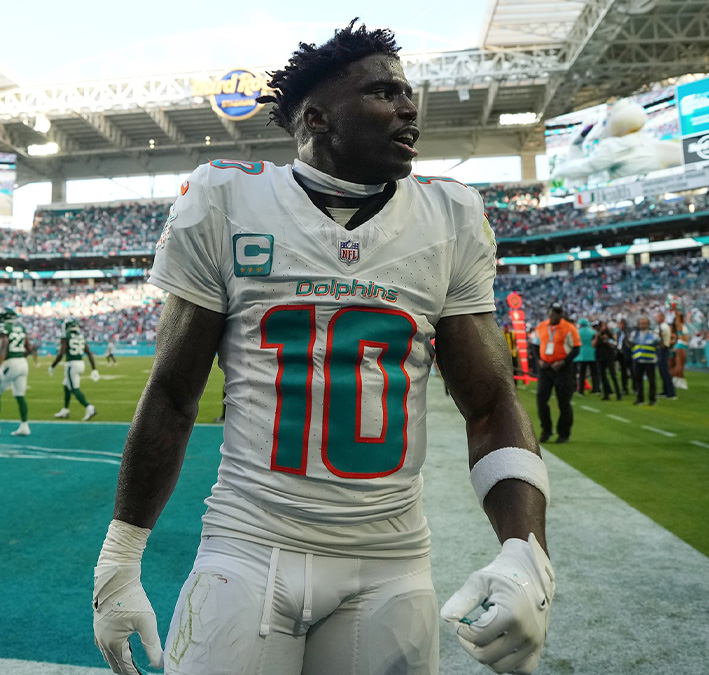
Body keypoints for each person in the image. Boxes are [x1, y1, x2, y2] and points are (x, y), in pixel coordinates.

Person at [92, 23, 553, 675]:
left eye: (407, 91)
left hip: (390, 560)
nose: (408, 106)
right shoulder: (226, 199)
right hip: (248, 545)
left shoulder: (449, 216)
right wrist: (120, 554)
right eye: (382, 92)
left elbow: (489, 401)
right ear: (316, 116)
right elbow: (172, 392)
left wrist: (524, 550)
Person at [0, 308, 36, 437]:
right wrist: (20, 356)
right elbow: (29, 348)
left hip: (10, 363)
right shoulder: (21, 328)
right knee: (20, 395)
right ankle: (24, 426)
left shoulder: (4, 328)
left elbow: (4, 345)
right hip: (22, 362)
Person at [532, 303, 580, 443]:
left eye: (556, 314)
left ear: (560, 315)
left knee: (564, 402)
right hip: (546, 369)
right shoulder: (541, 326)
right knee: (541, 399)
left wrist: (563, 362)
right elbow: (535, 345)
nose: (553, 316)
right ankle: (546, 430)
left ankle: (564, 433)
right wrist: (539, 360)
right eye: (552, 313)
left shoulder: (569, 328)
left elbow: (576, 348)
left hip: (563, 369)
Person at [49, 318, 100, 421]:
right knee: (66, 385)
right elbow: (89, 353)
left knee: (73, 388)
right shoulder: (81, 336)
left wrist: (53, 365)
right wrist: (94, 369)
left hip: (71, 364)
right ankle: (65, 410)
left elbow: (61, 353)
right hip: (81, 363)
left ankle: (89, 408)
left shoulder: (66, 336)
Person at [630, 318, 659, 406]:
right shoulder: (634, 334)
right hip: (638, 360)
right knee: (638, 380)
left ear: (648, 325)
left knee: (651, 381)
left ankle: (652, 399)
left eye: (645, 323)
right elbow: (630, 344)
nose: (643, 325)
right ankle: (640, 398)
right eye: (641, 323)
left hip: (649, 360)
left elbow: (658, 344)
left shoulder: (653, 334)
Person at [594, 322, 622, 401]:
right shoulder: (597, 335)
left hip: (609, 357)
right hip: (600, 357)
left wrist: (607, 339)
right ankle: (606, 394)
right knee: (603, 376)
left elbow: (614, 344)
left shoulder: (609, 334)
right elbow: (593, 345)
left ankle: (618, 394)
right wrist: (597, 337)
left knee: (613, 376)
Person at [654, 311, 676, 400]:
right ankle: (666, 391)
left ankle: (671, 392)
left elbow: (659, 338)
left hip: (663, 349)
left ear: (662, 317)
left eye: (658, 317)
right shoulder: (662, 326)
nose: (656, 319)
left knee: (665, 371)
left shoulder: (663, 326)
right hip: (661, 349)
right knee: (662, 371)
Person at [574, 318, 597, 395]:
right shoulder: (593, 332)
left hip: (581, 354)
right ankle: (595, 389)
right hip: (592, 354)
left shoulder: (577, 332)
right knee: (594, 373)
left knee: (582, 374)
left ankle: (581, 390)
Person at [670, 310, 688, 390]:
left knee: (681, 364)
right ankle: (677, 380)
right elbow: (677, 316)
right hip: (681, 345)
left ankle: (677, 380)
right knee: (679, 365)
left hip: (683, 345)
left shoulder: (683, 325)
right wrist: (676, 309)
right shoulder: (679, 325)